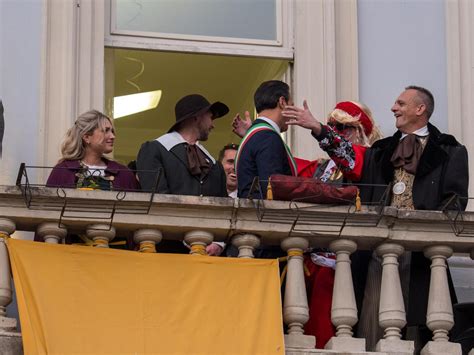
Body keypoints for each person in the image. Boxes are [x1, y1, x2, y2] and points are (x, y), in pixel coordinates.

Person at [234, 96, 382, 348]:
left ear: (359, 131)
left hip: (339, 263)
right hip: (309, 258)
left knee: (324, 334)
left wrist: (317, 128)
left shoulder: (367, 158)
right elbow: (286, 170)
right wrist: (257, 135)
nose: (335, 132)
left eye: (342, 127)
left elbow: (348, 157)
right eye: (331, 125)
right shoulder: (324, 166)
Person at [354, 86, 469, 351]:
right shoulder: (379, 150)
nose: (394, 108)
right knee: (374, 323)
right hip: (380, 251)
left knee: (420, 326)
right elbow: (366, 197)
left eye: (400, 103)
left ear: (421, 109)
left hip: (423, 254)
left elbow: (455, 200)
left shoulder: (450, 149)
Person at [137, 94, 229, 255]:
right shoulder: (154, 150)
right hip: (168, 252)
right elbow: (157, 201)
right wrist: (190, 240)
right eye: (210, 117)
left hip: (209, 257)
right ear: (196, 117)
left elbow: (223, 208)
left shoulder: (214, 165)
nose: (212, 125)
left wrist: (218, 243)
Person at [46, 110, 138, 191]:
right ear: (86, 137)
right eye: (106, 131)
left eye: (112, 131)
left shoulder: (124, 174)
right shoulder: (63, 171)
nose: (112, 136)